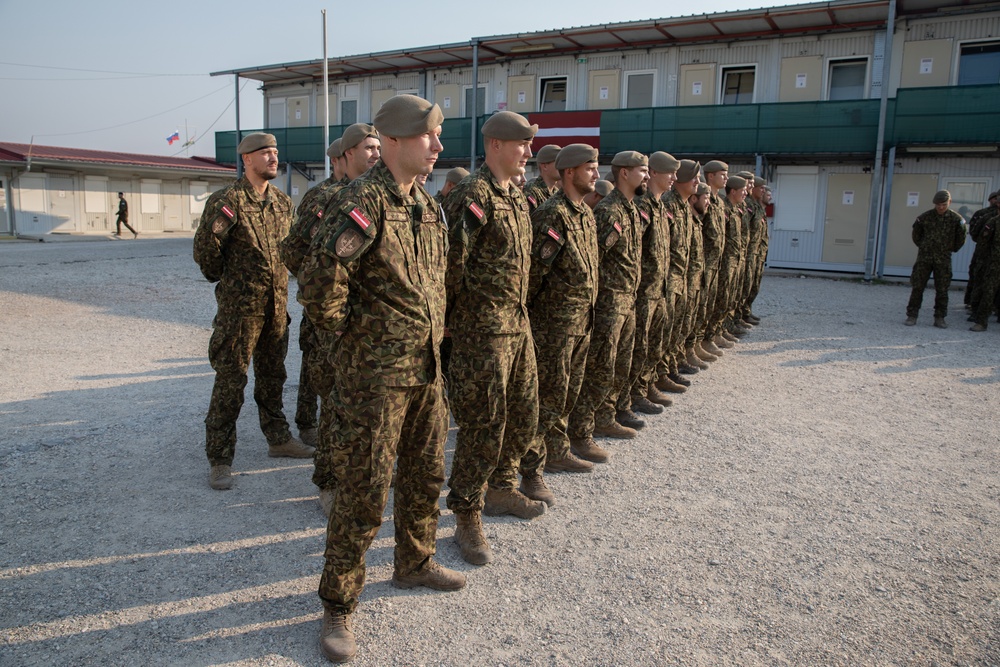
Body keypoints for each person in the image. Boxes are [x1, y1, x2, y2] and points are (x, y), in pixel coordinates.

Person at [297, 95, 465, 663]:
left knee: (424, 472)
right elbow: (322, 285)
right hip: (375, 376)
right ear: (393, 141)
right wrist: (355, 345)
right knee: (365, 489)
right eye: (428, 137)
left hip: (426, 367)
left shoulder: (425, 205)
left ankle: (414, 562)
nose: (437, 146)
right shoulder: (362, 201)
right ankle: (339, 603)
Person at [444, 111, 543, 567]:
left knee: (523, 412)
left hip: (516, 325)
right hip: (481, 331)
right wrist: (452, 324)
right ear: (497, 146)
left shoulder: (516, 196)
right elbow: (449, 266)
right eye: (521, 144)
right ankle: (467, 513)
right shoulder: (472, 194)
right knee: (484, 424)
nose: (528, 152)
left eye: (529, 144)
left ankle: (501, 488)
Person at [193, 132, 313, 491]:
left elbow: (291, 252)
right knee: (231, 382)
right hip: (239, 314)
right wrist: (230, 281)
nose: (274, 158)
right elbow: (207, 255)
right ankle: (219, 457)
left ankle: (278, 439)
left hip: (276, 310)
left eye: (276, 152)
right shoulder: (226, 202)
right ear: (246, 159)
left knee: (273, 377)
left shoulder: (280, 202)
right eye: (265, 153)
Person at [516, 144, 602, 497]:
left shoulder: (584, 214)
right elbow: (533, 277)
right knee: (545, 400)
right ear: (569, 172)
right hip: (553, 327)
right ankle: (531, 471)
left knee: (566, 394)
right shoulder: (552, 216)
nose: (596, 175)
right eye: (590, 168)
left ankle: (558, 451)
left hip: (581, 322)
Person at [567, 150, 648, 458]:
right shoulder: (610, 212)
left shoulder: (628, 209)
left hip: (627, 298)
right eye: (642, 170)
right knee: (600, 366)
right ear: (624, 173)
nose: (647, 176)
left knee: (618, 364)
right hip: (610, 301)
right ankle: (583, 431)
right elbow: (594, 259)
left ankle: (606, 416)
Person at [626, 151, 678, 413]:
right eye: (670, 173)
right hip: (644, 291)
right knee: (640, 345)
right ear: (655, 173)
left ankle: (647, 384)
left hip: (659, 289)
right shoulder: (643, 207)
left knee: (654, 343)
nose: (674, 178)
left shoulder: (659, 206)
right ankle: (635, 392)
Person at [904, 190, 966, 328]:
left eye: (944, 204)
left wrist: (949, 249)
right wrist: (925, 247)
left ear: (949, 203)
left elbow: (961, 239)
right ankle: (912, 315)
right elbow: (916, 236)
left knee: (942, 289)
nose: (941, 207)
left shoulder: (956, 220)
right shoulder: (924, 218)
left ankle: (940, 317)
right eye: (938, 204)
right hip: (924, 258)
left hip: (943, 259)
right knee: (918, 287)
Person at [522, 144, 561, 212]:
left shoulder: (556, 192)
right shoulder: (531, 191)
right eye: (558, 162)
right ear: (545, 166)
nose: (562, 166)